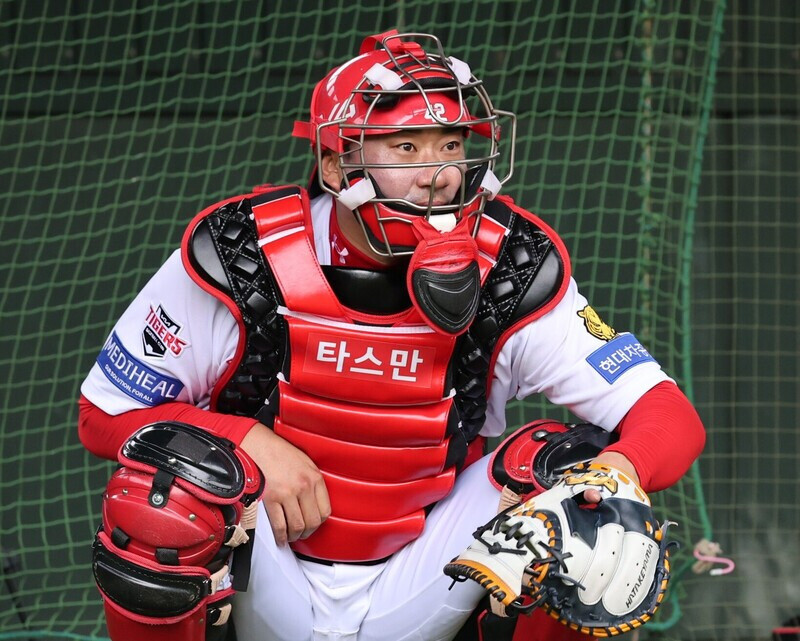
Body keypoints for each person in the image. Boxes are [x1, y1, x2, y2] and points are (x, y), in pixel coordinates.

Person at [78, 30, 705, 641]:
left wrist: (615, 475)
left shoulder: (510, 266)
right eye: (406, 148)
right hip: (268, 567)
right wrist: (246, 440)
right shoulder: (242, 253)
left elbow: (669, 416)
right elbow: (102, 414)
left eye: (451, 145)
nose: (439, 174)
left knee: (573, 483)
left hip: (427, 574)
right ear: (335, 163)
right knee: (167, 485)